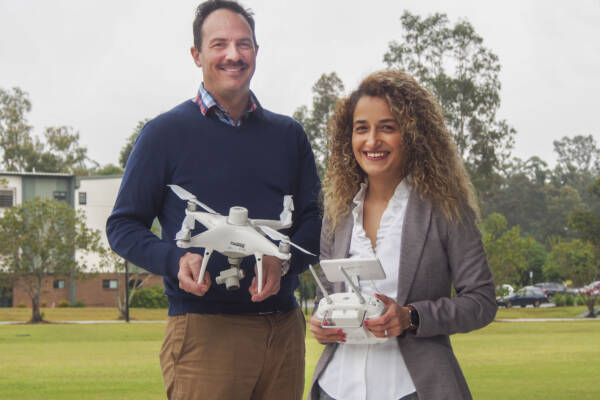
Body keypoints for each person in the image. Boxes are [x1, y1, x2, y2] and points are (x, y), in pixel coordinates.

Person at [106, 1, 321, 399]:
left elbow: (314, 221)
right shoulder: (163, 134)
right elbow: (122, 226)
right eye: (219, 44)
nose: (233, 55)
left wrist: (284, 260)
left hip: (284, 331)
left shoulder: (289, 136)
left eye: (243, 44)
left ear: (256, 51)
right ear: (197, 55)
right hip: (205, 333)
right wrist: (175, 259)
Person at [307, 70, 497, 400]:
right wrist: (322, 322)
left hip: (412, 389)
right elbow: (329, 295)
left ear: (412, 135)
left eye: (387, 127)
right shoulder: (338, 214)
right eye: (361, 128)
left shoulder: (446, 209)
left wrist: (411, 317)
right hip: (335, 388)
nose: (371, 141)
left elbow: (481, 301)